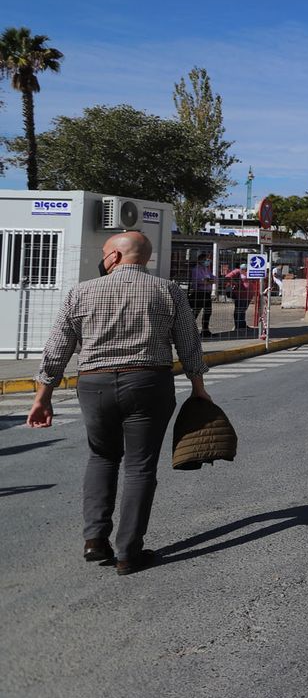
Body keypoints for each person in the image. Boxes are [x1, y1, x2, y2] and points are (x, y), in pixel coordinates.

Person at [27, 231, 210, 576]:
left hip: (94, 384)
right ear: (146, 257)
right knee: (140, 467)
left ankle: (95, 539)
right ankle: (128, 553)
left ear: (113, 257)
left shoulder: (80, 292)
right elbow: (189, 343)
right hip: (148, 382)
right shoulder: (168, 291)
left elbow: (56, 348)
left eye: (104, 253)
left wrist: (42, 397)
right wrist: (198, 388)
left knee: (101, 456)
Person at [189, 255, 215, 338]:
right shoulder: (196, 270)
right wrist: (208, 281)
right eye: (206, 260)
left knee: (208, 312)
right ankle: (188, 331)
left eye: (208, 260)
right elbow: (200, 281)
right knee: (195, 312)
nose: (208, 261)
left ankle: (205, 330)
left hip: (207, 293)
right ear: (200, 260)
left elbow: (215, 279)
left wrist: (208, 281)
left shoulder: (207, 269)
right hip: (199, 293)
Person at [223, 262, 249, 334]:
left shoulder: (248, 272)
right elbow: (227, 277)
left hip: (248, 295)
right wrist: (235, 283)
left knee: (243, 310)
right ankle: (237, 326)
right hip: (240, 294)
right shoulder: (237, 271)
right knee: (239, 310)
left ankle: (242, 325)